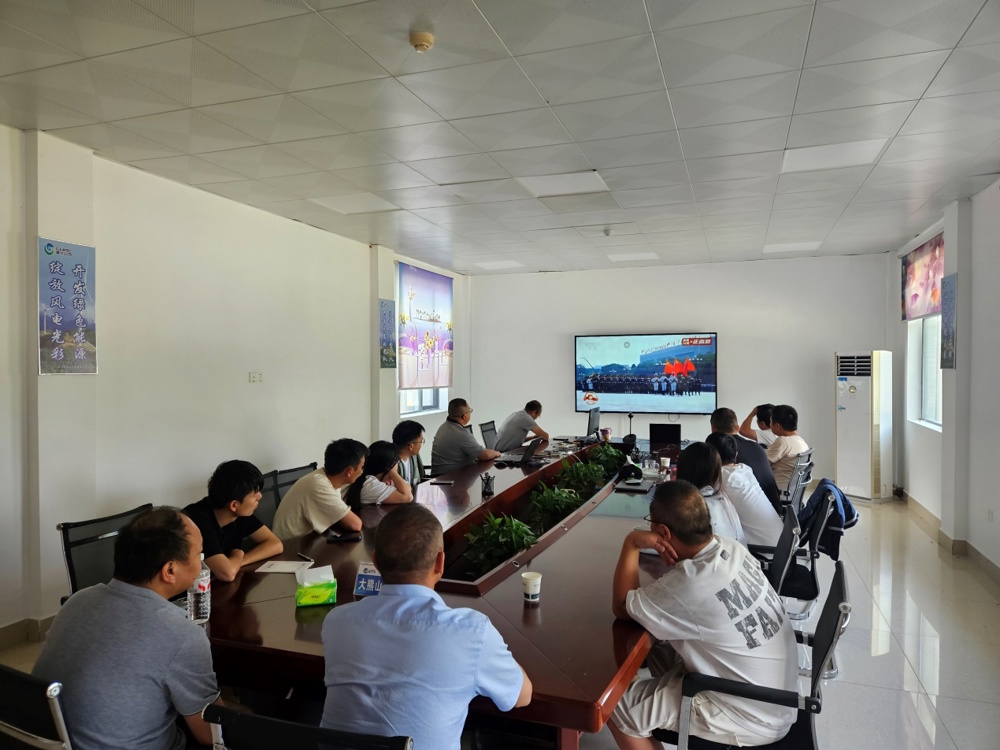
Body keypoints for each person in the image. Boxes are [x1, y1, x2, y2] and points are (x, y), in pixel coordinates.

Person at [320, 504, 531, 749]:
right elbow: (521, 696)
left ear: (375, 561)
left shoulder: (336, 622)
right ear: (440, 563)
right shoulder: (472, 632)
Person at [608, 481, 798, 749]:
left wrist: (631, 543)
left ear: (663, 532)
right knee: (658, 647)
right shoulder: (731, 548)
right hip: (777, 698)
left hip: (748, 713)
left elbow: (621, 607)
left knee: (615, 707)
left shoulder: (690, 582)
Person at [33, 507, 220, 750]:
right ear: (170, 570)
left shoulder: (78, 601)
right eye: (198, 554)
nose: (201, 562)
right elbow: (210, 734)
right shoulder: (181, 633)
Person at [183, 460, 283, 582]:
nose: (260, 497)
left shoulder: (241, 514)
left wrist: (238, 561)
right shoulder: (197, 522)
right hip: (191, 590)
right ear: (234, 505)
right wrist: (237, 554)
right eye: (255, 495)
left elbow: (276, 544)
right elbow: (227, 574)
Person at [272, 439, 366, 539]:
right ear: (350, 471)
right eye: (362, 467)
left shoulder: (328, 479)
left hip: (307, 540)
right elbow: (355, 525)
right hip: (289, 545)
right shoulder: (318, 485)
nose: (362, 472)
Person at [705, 433, 782, 547]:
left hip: (764, 549)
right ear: (736, 454)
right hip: (781, 540)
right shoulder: (745, 469)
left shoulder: (720, 476)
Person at [709, 407, 781, 510]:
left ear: (713, 429)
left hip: (753, 513)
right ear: (738, 428)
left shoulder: (720, 451)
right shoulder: (757, 447)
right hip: (774, 508)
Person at [675, 442, 746, 545]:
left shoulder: (693, 508)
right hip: (739, 553)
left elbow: (673, 545)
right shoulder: (722, 498)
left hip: (718, 554)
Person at [431, 398, 500, 475]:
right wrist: (497, 453)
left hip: (442, 477)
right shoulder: (461, 434)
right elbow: (484, 455)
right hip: (452, 478)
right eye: (469, 411)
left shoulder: (443, 427)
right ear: (465, 416)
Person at [344, 440, 413, 510]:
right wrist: (393, 471)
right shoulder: (370, 484)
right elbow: (407, 496)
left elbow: (407, 488)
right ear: (388, 467)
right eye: (396, 463)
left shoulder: (367, 480)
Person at [766, 405, 810, 493]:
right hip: (791, 491)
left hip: (777, 491)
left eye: (770, 422)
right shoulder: (801, 442)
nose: (769, 426)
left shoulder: (783, 441)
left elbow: (762, 464)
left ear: (777, 426)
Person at [392, 419, 426, 491]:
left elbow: (421, 478)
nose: (421, 444)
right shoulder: (391, 462)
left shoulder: (414, 456)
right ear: (411, 446)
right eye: (421, 441)